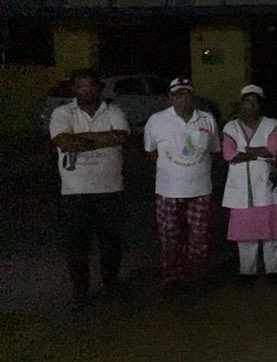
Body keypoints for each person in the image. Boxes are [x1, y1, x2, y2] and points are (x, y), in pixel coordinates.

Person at [48, 68, 130, 307]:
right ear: (73, 89)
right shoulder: (62, 112)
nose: (86, 90)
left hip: (110, 189)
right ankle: (80, 290)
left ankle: (111, 284)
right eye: (80, 86)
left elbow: (121, 137)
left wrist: (79, 140)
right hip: (75, 191)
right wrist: (104, 138)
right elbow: (63, 142)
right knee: (77, 246)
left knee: (111, 244)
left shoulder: (113, 110)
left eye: (91, 85)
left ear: (100, 88)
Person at [143, 77, 221, 299]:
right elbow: (150, 151)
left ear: (193, 96)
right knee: (169, 235)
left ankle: (197, 276)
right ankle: (172, 277)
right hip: (168, 189)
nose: (183, 98)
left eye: (187, 93)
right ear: (170, 97)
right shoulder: (156, 120)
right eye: (178, 94)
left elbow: (214, 150)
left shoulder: (206, 119)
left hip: (200, 188)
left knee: (199, 236)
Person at [221, 85, 277, 282]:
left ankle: (272, 270)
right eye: (247, 101)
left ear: (261, 104)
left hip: (266, 186)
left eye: (255, 102)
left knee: (270, 232)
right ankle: (247, 271)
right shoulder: (231, 127)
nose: (251, 105)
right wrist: (259, 152)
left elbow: (272, 150)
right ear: (241, 104)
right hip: (240, 188)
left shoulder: (271, 125)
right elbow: (229, 154)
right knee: (245, 235)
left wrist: (245, 151)